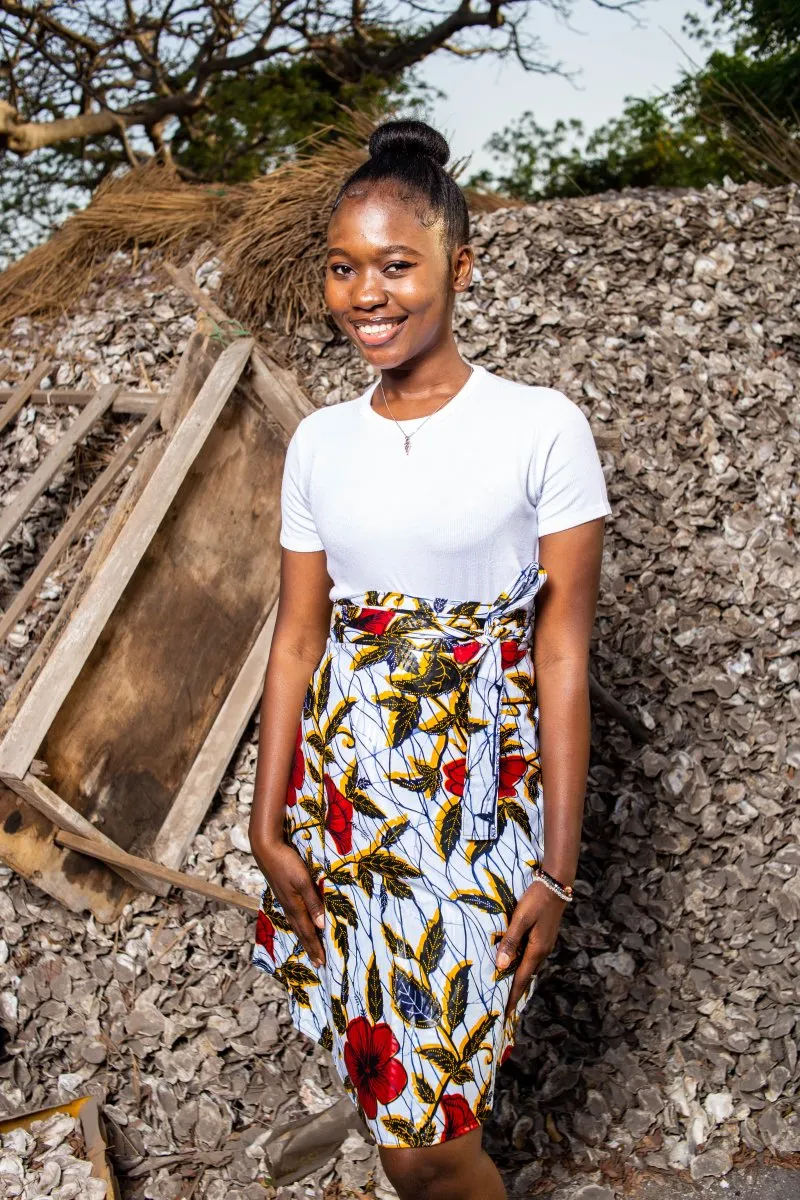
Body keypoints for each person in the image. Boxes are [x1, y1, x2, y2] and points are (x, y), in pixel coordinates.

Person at [249, 118, 611, 1200]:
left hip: (470, 812)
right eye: (342, 267)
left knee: (424, 1141)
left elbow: (561, 654)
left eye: (396, 265)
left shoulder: (538, 427)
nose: (367, 292)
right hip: (346, 806)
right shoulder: (319, 441)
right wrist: (267, 823)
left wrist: (556, 865)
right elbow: (298, 637)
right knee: (395, 1110)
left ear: (459, 265)